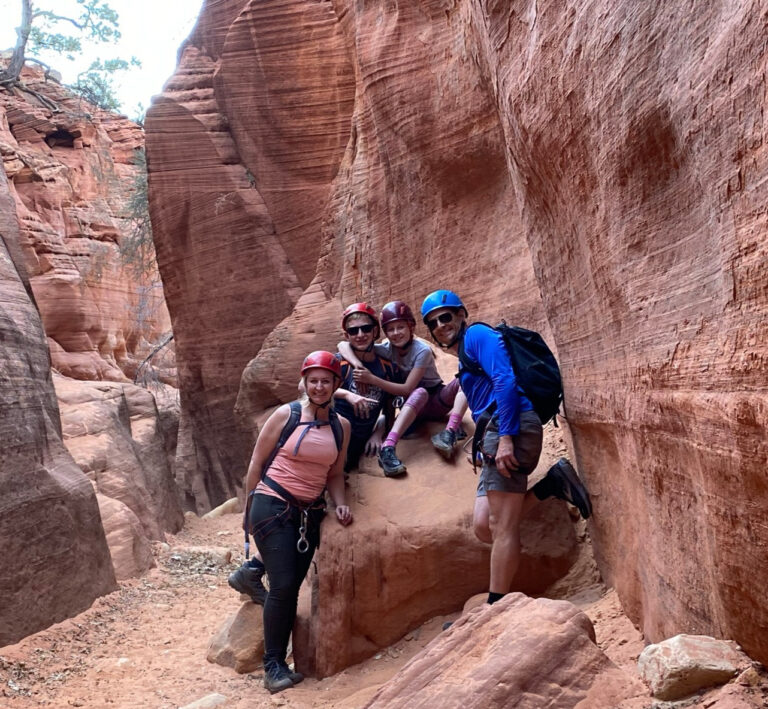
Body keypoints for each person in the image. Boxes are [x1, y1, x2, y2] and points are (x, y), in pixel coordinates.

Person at [420, 289, 592, 606]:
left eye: (446, 316)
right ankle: (553, 483)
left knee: (502, 527)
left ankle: (496, 605)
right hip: (495, 431)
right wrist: (480, 447)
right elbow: (484, 397)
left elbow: (505, 381)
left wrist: (507, 438)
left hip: (509, 426)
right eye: (434, 322)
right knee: (484, 525)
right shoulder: (466, 355)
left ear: (461, 314)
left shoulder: (477, 336)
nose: (441, 325)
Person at [241, 350, 353, 694]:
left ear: (336, 384)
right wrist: (247, 516)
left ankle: (278, 660)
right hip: (271, 504)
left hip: (308, 514)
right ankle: (273, 665)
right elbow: (256, 465)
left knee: (290, 588)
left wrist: (341, 504)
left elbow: (334, 473)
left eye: (326, 381)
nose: (319, 387)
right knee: (285, 584)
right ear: (304, 382)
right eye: (313, 380)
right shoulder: (285, 415)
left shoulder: (341, 426)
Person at [338, 300, 469, 476]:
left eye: (400, 327)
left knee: (466, 377)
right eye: (390, 329)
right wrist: (357, 365)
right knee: (419, 393)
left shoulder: (421, 350)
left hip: (437, 400)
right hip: (414, 409)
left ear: (411, 328)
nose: (396, 333)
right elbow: (343, 345)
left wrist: (372, 379)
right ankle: (388, 448)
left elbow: (407, 388)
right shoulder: (386, 349)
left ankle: (450, 431)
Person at [332, 302, 401, 474]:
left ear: (375, 331)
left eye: (366, 329)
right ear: (346, 335)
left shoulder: (387, 368)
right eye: (353, 331)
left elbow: (390, 408)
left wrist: (378, 432)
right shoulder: (339, 362)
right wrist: (348, 395)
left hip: (358, 447)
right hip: (331, 442)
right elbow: (304, 387)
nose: (360, 335)